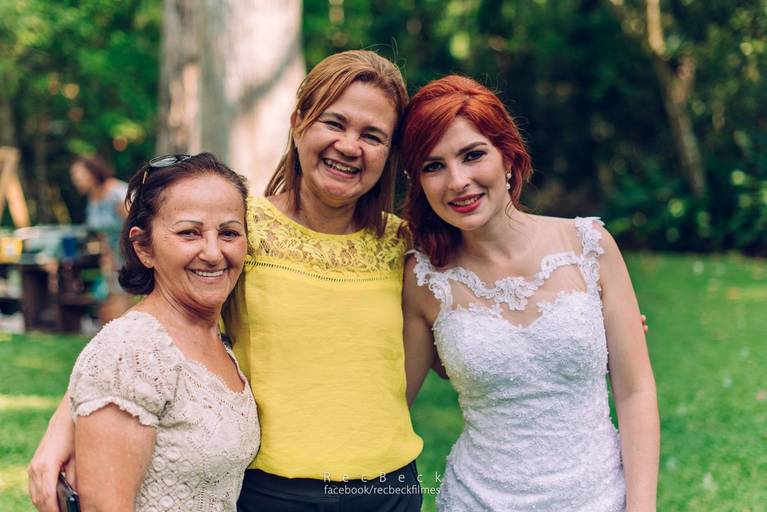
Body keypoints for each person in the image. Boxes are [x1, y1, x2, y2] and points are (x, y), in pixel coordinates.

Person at [29, 51, 423, 512]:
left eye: (372, 135)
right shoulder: (238, 229)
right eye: (334, 123)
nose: (350, 146)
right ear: (298, 122)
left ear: (390, 152)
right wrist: (64, 423)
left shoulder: (402, 244)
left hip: (388, 490)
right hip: (275, 493)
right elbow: (144, 336)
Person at [399, 75, 659, 511]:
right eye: (433, 166)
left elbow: (636, 391)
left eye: (472, 155)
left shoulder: (590, 246)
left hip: (600, 496)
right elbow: (390, 401)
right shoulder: (424, 279)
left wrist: (642, 506)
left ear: (507, 156)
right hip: (477, 500)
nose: (457, 181)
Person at [54, 153, 260, 511]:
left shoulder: (219, 336)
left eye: (229, 233)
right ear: (144, 248)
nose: (213, 253)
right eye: (189, 233)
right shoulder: (131, 352)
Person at [69, 155, 131, 322]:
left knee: (122, 297)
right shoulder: (92, 198)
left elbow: (135, 224)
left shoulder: (116, 192)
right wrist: (107, 258)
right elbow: (102, 233)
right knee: (112, 297)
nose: (75, 180)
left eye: (78, 175)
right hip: (113, 254)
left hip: (130, 251)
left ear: (92, 172)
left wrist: (129, 257)